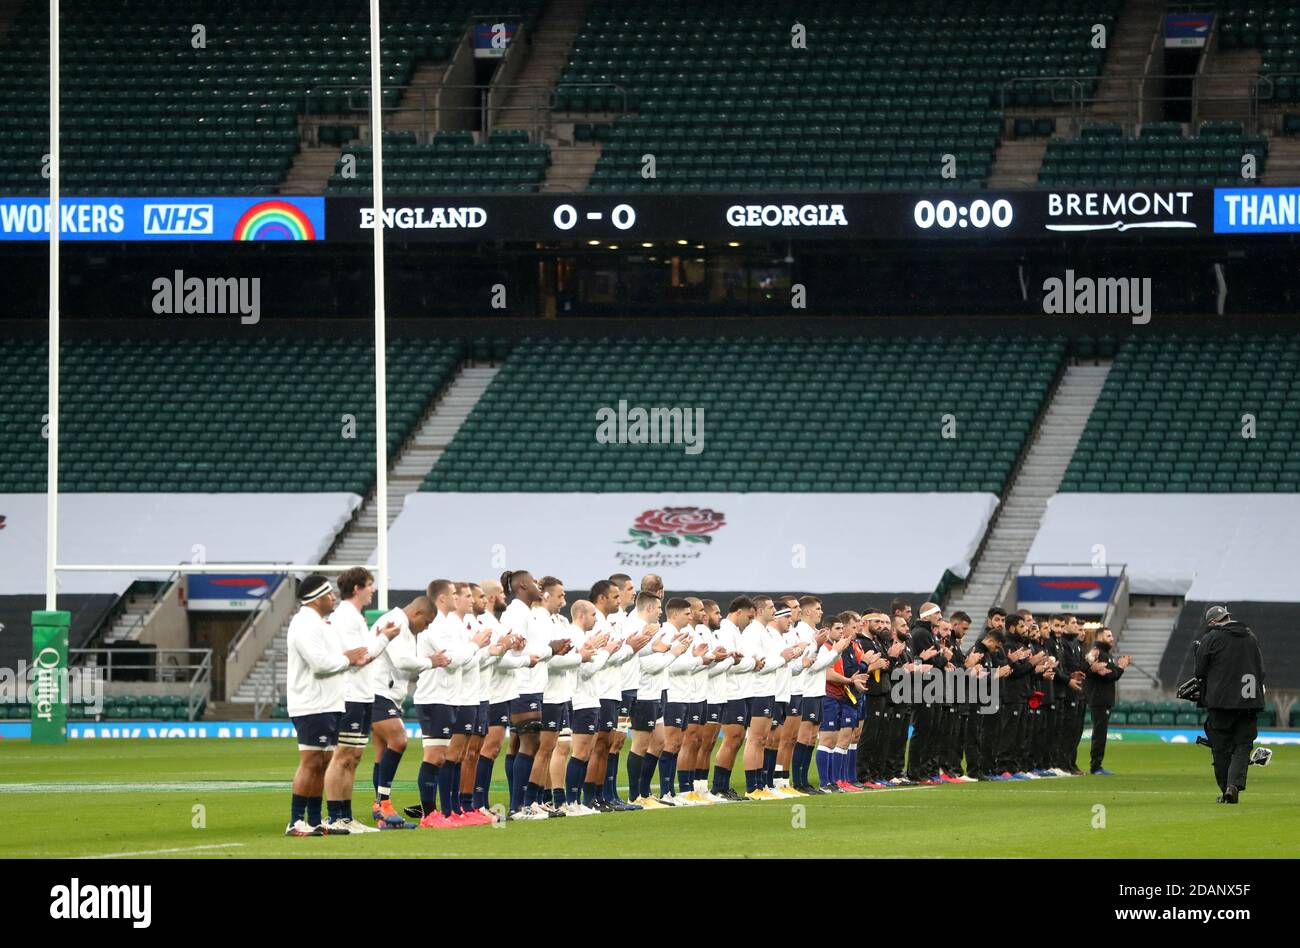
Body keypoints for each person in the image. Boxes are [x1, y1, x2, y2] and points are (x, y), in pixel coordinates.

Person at [284, 574, 387, 837]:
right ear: (317, 598)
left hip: (328, 702)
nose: (333, 597)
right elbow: (320, 665)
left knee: (323, 761)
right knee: (311, 761)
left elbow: (333, 659)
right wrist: (347, 659)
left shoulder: (320, 623)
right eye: (329, 594)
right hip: (311, 702)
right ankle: (296, 821)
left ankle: (317, 820)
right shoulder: (304, 624)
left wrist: (346, 658)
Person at [369, 594, 437, 828]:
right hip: (376, 692)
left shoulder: (405, 626)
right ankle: (383, 804)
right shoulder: (396, 623)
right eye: (426, 622)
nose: (424, 628)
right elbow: (401, 661)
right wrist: (431, 661)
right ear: (417, 613)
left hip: (387, 694)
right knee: (399, 740)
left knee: (382, 752)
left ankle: (382, 813)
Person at [1194, 606, 1267, 804]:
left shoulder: (1211, 638)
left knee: (1221, 748)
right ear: (1227, 617)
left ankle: (1226, 788)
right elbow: (1261, 671)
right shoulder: (1251, 637)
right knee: (1243, 746)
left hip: (1221, 703)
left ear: (1212, 623)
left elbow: (1199, 671)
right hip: (1249, 702)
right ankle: (1233, 786)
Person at [1083, 626, 1130, 776]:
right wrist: (1121, 667)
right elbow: (1110, 676)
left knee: (1100, 733)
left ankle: (1097, 765)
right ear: (1100, 637)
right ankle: (1095, 766)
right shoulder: (1098, 653)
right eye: (1109, 636)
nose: (1112, 638)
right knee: (1099, 733)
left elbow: (1110, 673)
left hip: (1103, 699)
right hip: (1099, 698)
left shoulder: (1105, 654)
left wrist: (1116, 668)